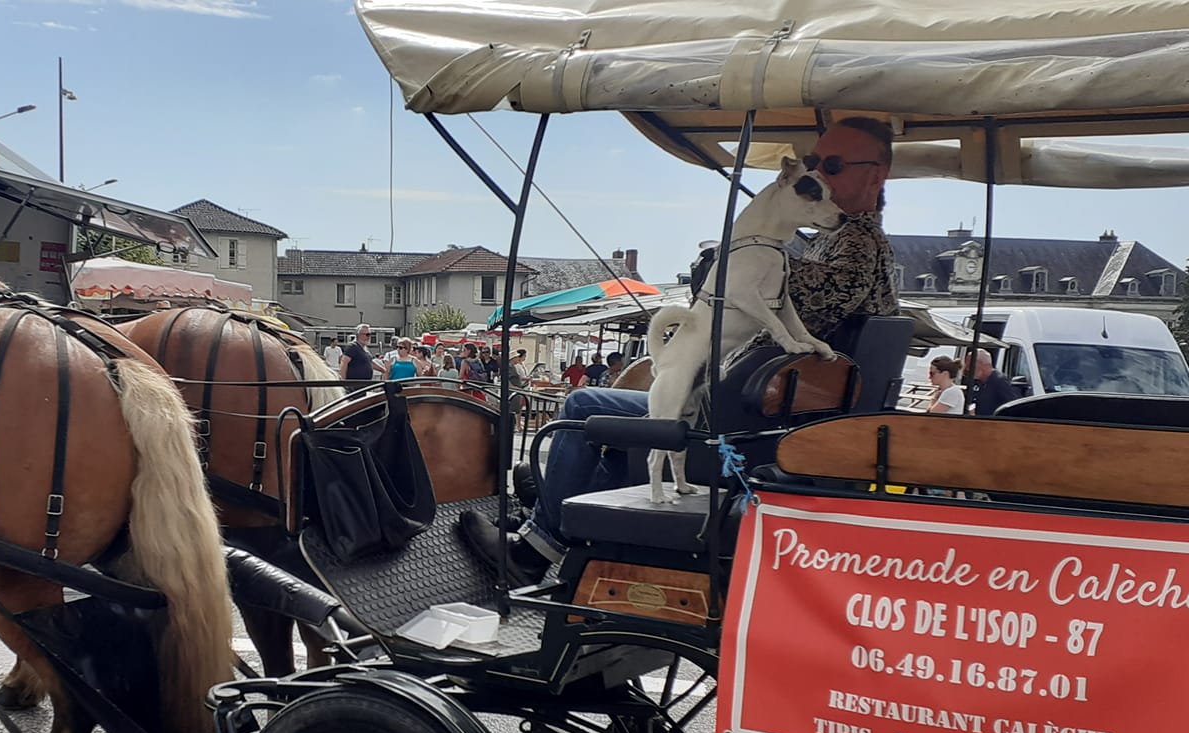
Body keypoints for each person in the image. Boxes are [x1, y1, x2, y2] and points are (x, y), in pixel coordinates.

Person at [463, 116, 902, 583]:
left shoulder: (853, 244)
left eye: (829, 165)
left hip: (745, 426)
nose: (818, 174)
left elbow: (804, 303)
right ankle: (561, 512)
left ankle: (535, 551)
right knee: (619, 425)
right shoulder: (848, 246)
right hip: (765, 416)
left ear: (875, 176)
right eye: (813, 164)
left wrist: (720, 262)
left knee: (582, 404)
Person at [969, 348, 1018, 416]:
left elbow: (1012, 406)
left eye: (970, 365)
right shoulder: (979, 383)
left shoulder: (999, 381)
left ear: (981, 364)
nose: (967, 368)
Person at [340, 325, 375, 392]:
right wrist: (343, 382)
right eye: (367, 335)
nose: (369, 337)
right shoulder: (352, 347)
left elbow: (370, 362)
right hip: (354, 386)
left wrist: (383, 370)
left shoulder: (365, 349)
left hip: (364, 386)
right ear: (359, 335)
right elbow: (344, 362)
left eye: (370, 334)